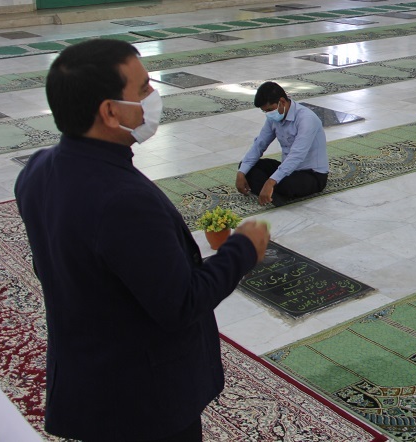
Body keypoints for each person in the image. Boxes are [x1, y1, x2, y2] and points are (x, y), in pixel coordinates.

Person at [14, 39, 270, 442]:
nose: (153, 97)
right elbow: (181, 302)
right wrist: (242, 249)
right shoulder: (122, 200)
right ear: (110, 111)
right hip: (142, 399)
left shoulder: (38, 169)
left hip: (88, 376)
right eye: (144, 88)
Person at [236, 81, 329, 206]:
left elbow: (297, 155)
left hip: (312, 174)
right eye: (265, 111)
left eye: (270, 110)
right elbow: (260, 144)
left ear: (282, 101)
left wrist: (271, 181)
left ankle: (270, 192)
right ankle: (272, 194)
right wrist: (241, 173)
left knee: (284, 184)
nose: (269, 114)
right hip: (287, 169)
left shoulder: (306, 119)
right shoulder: (273, 118)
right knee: (246, 167)